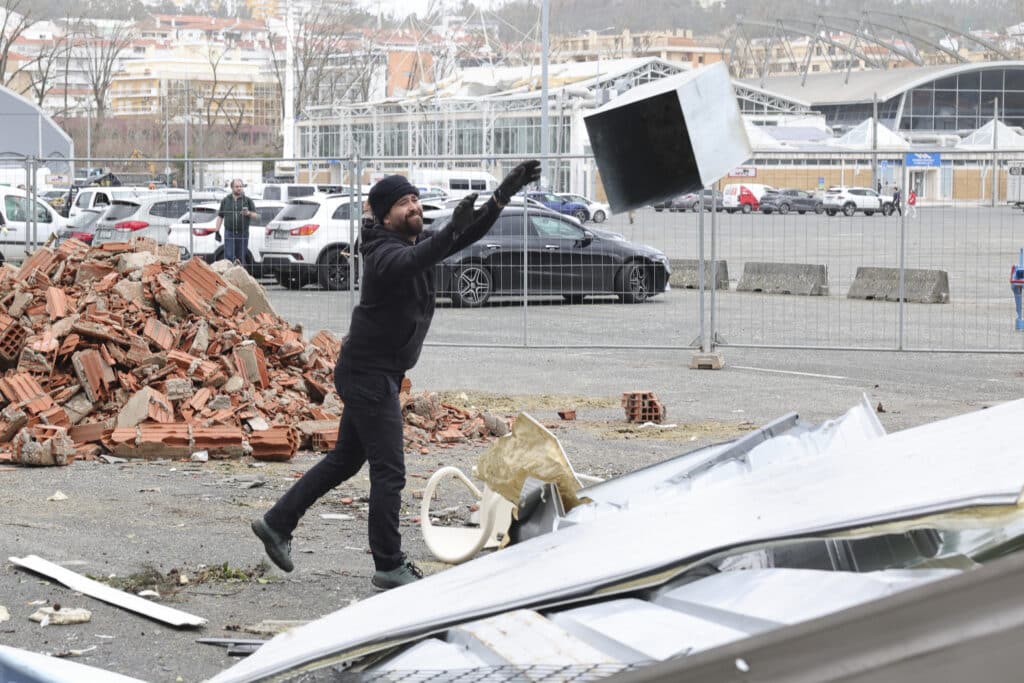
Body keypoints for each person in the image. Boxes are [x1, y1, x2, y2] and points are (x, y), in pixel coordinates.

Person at [251, 160, 541, 591]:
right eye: (404, 203)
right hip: (369, 375)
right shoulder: (383, 253)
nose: (414, 207)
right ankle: (389, 564)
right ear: (384, 215)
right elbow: (421, 256)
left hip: (374, 371)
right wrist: (447, 234)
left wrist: (501, 196)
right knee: (389, 472)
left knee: (345, 460)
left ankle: (277, 523)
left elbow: (460, 236)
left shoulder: (410, 241)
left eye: (415, 200)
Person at [214, 179, 258, 265]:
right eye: (237, 186)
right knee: (229, 257)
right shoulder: (226, 200)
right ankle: (229, 277)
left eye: (241, 186)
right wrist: (217, 230)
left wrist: (248, 213)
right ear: (232, 188)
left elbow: (256, 216)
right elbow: (220, 216)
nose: (239, 188)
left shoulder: (247, 200)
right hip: (229, 232)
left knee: (241, 257)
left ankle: (240, 276)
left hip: (243, 233)